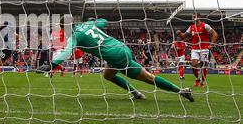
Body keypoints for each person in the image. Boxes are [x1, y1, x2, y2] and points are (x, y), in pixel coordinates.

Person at [37, 18, 194, 102]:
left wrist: (52, 65)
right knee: (108, 75)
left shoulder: (75, 36)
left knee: (148, 78)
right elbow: (104, 21)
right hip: (121, 47)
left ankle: (181, 91)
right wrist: (96, 20)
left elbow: (65, 53)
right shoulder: (87, 24)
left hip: (114, 55)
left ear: (66, 28)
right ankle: (135, 93)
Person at [176, 13, 218, 88]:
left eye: (194, 17)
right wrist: (179, 34)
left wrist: (211, 45)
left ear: (199, 17)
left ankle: (202, 81)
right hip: (195, 49)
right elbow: (183, 36)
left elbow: (215, 34)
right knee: (193, 65)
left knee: (203, 65)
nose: (193, 18)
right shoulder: (191, 27)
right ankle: (197, 79)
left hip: (204, 49)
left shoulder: (205, 25)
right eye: (192, 17)